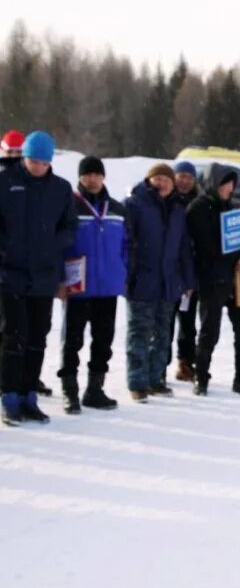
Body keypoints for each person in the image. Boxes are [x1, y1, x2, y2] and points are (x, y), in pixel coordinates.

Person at [0, 131, 77, 424]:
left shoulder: (60, 189)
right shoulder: (6, 182)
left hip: (44, 276)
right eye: (33, 161)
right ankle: (9, 397)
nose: (38, 167)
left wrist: (54, 244)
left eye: (43, 162)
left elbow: (69, 226)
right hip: (10, 274)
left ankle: (28, 394)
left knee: (37, 337)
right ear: (24, 157)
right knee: (14, 336)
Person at [58, 156, 128, 413]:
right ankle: (70, 391)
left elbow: (127, 245)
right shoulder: (70, 207)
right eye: (87, 174)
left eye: (97, 174)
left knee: (103, 340)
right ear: (80, 177)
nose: (92, 179)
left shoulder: (118, 209)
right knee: (72, 341)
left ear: (103, 177)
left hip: (107, 286)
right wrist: (60, 277)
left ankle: (95, 390)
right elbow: (61, 244)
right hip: (79, 286)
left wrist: (122, 272)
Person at [124, 163, 195, 402]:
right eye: (158, 179)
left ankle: (156, 379)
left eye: (167, 179)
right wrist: (128, 274)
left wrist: (187, 278)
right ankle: (137, 381)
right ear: (149, 180)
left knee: (163, 334)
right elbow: (127, 242)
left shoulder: (177, 209)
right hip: (142, 279)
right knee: (139, 333)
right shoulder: (135, 204)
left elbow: (184, 247)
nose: (162, 183)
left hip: (169, 281)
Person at [187, 169, 240, 396]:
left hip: (236, 279)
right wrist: (230, 255)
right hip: (212, 279)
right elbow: (205, 244)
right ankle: (201, 377)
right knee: (209, 331)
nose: (228, 189)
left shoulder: (234, 208)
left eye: (231, 184)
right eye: (224, 184)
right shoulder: (199, 208)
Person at [169, 160, 202, 382]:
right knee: (165, 321)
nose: (184, 181)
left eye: (189, 177)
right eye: (181, 176)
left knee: (188, 322)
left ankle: (185, 362)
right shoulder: (166, 201)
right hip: (169, 269)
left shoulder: (199, 204)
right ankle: (159, 365)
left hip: (192, 270)